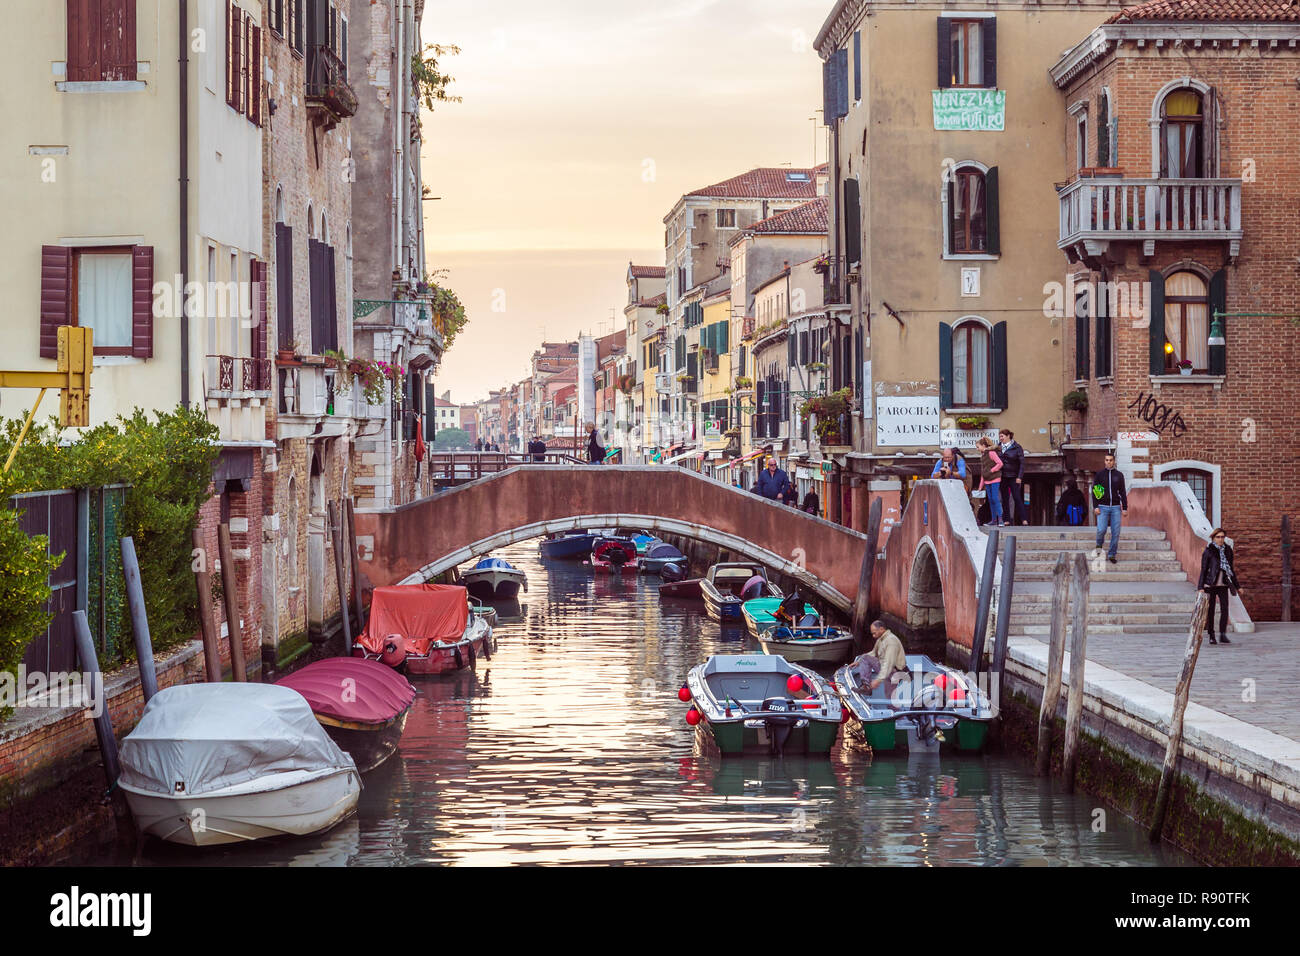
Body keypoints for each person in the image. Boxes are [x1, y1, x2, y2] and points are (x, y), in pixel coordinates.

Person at [1198, 529, 1241, 645]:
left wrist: (1237, 586)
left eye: (1222, 537)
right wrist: (1200, 586)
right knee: (1210, 611)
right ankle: (1211, 635)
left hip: (1223, 584)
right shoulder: (1208, 551)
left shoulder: (1228, 550)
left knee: (1225, 609)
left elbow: (1231, 569)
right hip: (1210, 585)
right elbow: (1203, 569)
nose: (1220, 539)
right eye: (1218, 537)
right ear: (1213, 538)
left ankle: (1222, 634)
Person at [1092, 452, 1128, 564]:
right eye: (1107, 460)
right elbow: (1095, 491)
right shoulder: (1099, 475)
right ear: (1104, 461)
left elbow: (1122, 492)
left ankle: (1112, 554)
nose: (1109, 462)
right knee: (1101, 529)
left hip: (1116, 507)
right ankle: (1099, 545)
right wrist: (1095, 506)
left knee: (1116, 532)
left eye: (1111, 460)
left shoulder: (1119, 475)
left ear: (1114, 461)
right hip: (1102, 507)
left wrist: (1125, 507)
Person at [853, 620, 907, 693]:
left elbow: (888, 664)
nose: (873, 636)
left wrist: (878, 680)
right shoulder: (881, 639)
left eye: (874, 633)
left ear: (881, 629)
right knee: (864, 657)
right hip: (888, 670)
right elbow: (873, 653)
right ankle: (866, 686)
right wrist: (858, 662)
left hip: (895, 672)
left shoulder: (891, 641)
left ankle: (866, 687)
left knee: (865, 658)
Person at [998, 429, 1028, 526]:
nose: (1000, 438)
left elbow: (1022, 463)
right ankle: (1006, 519)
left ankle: (1024, 519)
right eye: (1000, 436)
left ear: (1008, 436)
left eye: (1002, 436)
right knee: (1004, 498)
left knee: (1017, 497)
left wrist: (1019, 476)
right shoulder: (998, 447)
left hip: (1014, 476)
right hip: (1003, 476)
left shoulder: (1017, 447)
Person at [975, 437, 1005, 527]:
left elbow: (1000, 463)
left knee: (995, 498)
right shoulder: (982, 456)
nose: (977, 449)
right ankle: (993, 520)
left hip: (995, 478)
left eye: (978, 447)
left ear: (983, 445)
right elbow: (983, 472)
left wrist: (992, 470)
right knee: (991, 500)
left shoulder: (991, 453)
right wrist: (980, 486)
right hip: (987, 480)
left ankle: (1000, 519)